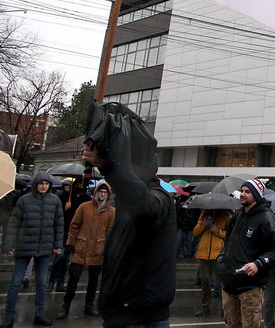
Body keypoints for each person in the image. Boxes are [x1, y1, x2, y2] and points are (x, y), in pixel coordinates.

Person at [82, 101, 177, 327]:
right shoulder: (125, 202)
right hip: (121, 312)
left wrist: (110, 168)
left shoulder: (161, 198)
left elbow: (143, 205)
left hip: (141, 317)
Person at [218, 179, 275, 328]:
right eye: (242, 191)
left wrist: (258, 263)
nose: (242, 194)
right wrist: (223, 257)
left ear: (256, 194)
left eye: (247, 192)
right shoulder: (237, 216)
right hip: (229, 283)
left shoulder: (267, 218)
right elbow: (228, 240)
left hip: (250, 287)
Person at [2, 172, 63, 327]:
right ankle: (9, 316)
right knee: (15, 282)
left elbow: (59, 224)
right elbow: (14, 223)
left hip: (44, 248)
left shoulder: (55, 201)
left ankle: (40, 313)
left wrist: (58, 244)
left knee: (42, 283)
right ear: (36, 184)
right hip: (25, 246)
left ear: (49, 185)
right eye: (41, 183)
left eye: (46, 184)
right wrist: (9, 244)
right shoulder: (24, 200)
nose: (43, 186)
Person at [57, 181, 116, 319]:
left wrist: (108, 249)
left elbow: (110, 231)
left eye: (104, 193)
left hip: (98, 249)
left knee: (93, 279)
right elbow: (74, 225)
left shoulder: (111, 211)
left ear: (108, 195)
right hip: (81, 247)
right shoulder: (85, 207)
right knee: (74, 277)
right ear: (95, 193)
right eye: (100, 192)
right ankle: (66, 306)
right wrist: (70, 243)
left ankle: (88, 305)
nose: (102, 194)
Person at [193, 208, 233, 317]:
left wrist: (217, 231)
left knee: (221, 283)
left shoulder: (227, 216)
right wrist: (204, 224)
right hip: (204, 253)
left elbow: (230, 234)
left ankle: (224, 309)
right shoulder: (204, 214)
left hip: (218, 253)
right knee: (205, 281)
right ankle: (205, 307)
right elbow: (195, 232)